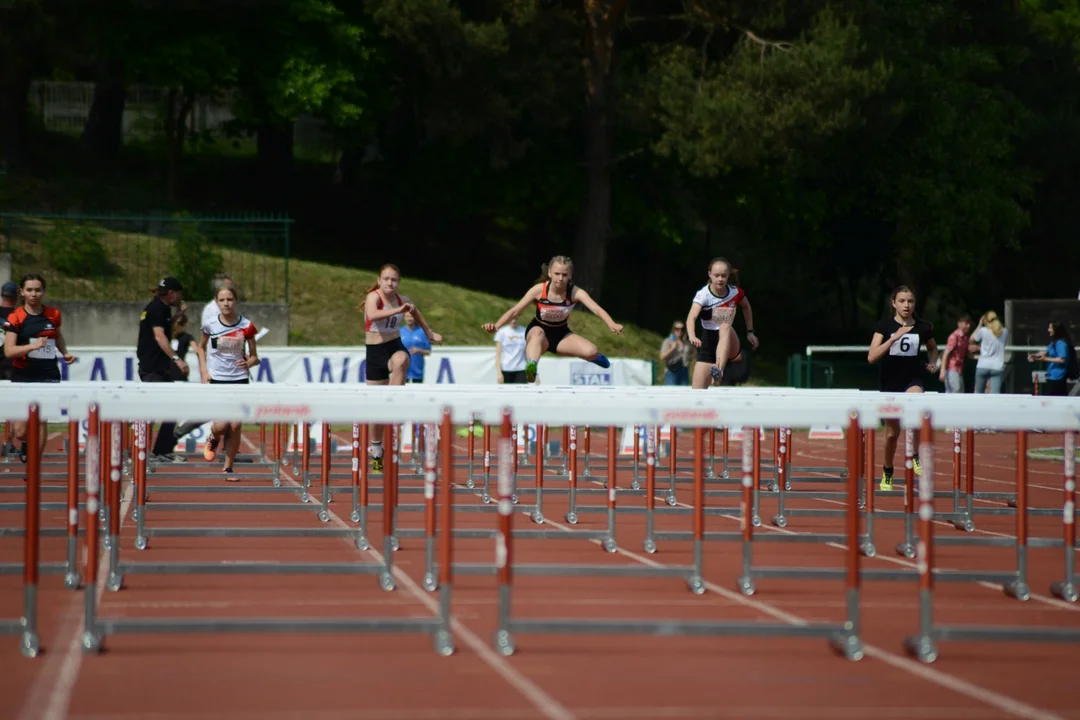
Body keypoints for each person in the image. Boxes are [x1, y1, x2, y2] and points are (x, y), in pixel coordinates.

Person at [482, 255, 623, 383]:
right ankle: (532, 368)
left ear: (570, 276)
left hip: (560, 334)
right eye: (557, 274)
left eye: (564, 275)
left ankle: (594, 357)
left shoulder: (575, 292)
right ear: (550, 273)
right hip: (537, 331)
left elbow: (596, 309)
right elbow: (515, 311)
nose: (560, 279)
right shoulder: (539, 290)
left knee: (591, 351)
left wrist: (611, 323)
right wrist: (497, 326)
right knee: (537, 333)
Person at [362, 264, 442, 471]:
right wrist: (398, 310)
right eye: (386, 279)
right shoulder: (375, 297)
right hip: (375, 352)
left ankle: (393, 405)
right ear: (379, 280)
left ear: (399, 282)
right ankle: (377, 449)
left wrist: (430, 333)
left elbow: (416, 313)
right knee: (375, 414)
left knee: (400, 360)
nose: (390, 283)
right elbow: (372, 314)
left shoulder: (403, 300)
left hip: (394, 346)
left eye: (394, 280)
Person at [867, 285, 938, 492]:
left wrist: (934, 362)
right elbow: (872, 357)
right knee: (891, 433)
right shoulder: (884, 325)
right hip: (890, 383)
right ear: (894, 303)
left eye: (910, 301)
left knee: (916, 411)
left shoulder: (923, 327)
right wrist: (894, 338)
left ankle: (915, 454)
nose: (906, 305)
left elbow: (933, 349)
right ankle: (888, 470)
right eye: (902, 301)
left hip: (913, 379)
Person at [1, 274, 76, 463]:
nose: (34, 294)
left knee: (42, 419)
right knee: (20, 431)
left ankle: (35, 464)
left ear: (43, 292)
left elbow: (57, 335)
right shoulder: (15, 317)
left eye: (37, 290)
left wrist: (65, 353)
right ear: (22, 292)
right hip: (23, 373)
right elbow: (9, 352)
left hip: (48, 373)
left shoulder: (54, 314)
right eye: (29, 290)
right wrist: (31, 347)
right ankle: (26, 443)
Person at [200, 285, 260, 478]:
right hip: (218, 379)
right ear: (216, 302)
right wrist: (204, 371)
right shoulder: (210, 325)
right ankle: (213, 437)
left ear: (236, 301)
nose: (226, 303)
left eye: (230, 299)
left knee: (235, 425)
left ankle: (228, 467)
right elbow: (201, 348)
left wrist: (248, 363)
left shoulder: (247, 326)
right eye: (222, 300)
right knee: (220, 425)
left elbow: (255, 357)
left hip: (240, 380)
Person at [137, 277, 189, 464]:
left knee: (171, 408)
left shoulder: (162, 308)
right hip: (152, 369)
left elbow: (165, 330)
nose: (181, 297)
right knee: (151, 411)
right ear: (172, 294)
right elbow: (160, 337)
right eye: (179, 293)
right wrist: (177, 359)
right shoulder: (157, 308)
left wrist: (177, 316)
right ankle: (143, 453)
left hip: (158, 368)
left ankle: (161, 451)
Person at [685, 257, 758, 389]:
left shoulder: (735, 292)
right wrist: (692, 335)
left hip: (729, 341)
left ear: (728, 275)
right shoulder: (703, 295)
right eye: (717, 275)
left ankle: (719, 371)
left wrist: (750, 332)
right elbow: (691, 317)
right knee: (697, 392)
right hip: (708, 341)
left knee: (725, 325)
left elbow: (747, 307)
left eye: (724, 276)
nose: (720, 279)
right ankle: (716, 376)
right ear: (710, 275)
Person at [1028, 317, 1076, 397]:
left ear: (1056, 330)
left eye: (1050, 328)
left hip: (1058, 377)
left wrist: (1045, 359)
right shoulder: (1053, 342)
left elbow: (1061, 359)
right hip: (1051, 376)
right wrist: (1034, 355)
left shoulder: (1061, 343)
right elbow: (1046, 352)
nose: (1048, 330)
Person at [969, 310, 1008, 394]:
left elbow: (971, 338)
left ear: (985, 321)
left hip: (983, 365)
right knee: (995, 395)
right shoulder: (1004, 332)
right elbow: (1001, 345)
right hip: (997, 366)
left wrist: (980, 324)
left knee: (978, 393)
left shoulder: (983, 330)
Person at [937, 313, 971, 393]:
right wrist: (942, 372)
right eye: (966, 323)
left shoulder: (965, 337)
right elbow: (946, 354)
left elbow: (968, 354)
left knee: (960, 392)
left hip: (959, 370)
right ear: (959, 323)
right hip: (951, 369)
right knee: (955, 392)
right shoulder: (954, 336)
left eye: (969, 323)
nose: (968, 326)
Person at [494, 311, 528, 384]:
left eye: (516, 318)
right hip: (506, 369)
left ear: (519, 318)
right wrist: (499, 373)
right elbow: (498, 355)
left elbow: (528, 353)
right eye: (511, 318)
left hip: (521, 369)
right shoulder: (501, 332)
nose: (513, 321)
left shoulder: (525, 331)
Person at [399, 311, 432, 384]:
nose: (409, 319)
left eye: (411, 316)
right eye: (407, 316)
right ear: (404, 318)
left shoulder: (422, 332)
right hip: (403, 371)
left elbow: (428, 352)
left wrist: (419, 350)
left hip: (417, 372)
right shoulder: (399, 332)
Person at [659, 320, 693, 385]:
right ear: (673, 330)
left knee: (684, 393)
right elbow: (661, 357)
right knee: (671, 393)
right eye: (677, 329)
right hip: (672, 371)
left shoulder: (687, 343)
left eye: (682, 329)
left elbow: (695, 353)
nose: (680, 331)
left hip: (684, 371)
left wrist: (689, 358)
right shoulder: (668, 341)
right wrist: (672, 348)